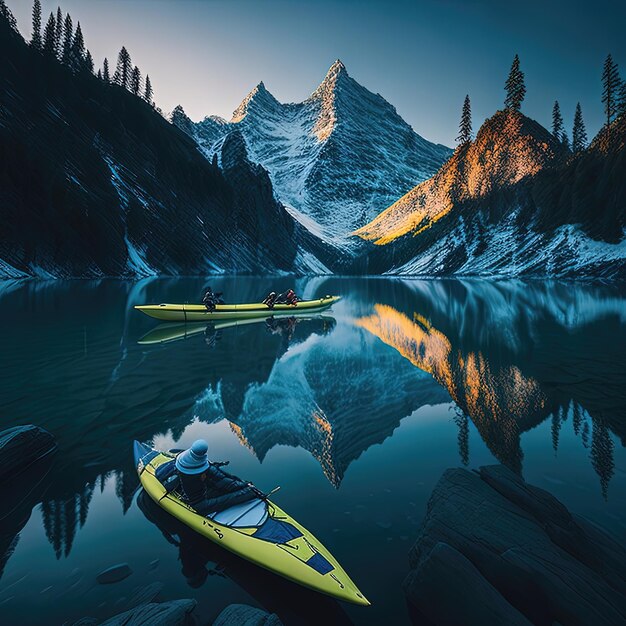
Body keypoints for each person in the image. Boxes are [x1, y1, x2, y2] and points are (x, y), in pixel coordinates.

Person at [175, 440, 259, 516]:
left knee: (203, 505)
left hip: (197, 499)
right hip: (199, 497)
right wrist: (244, 486)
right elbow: (222, 480)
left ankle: (248, 491)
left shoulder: (183, 462)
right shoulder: (204, 470)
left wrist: (243, 485)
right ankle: (248, 492)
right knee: (221, 483)